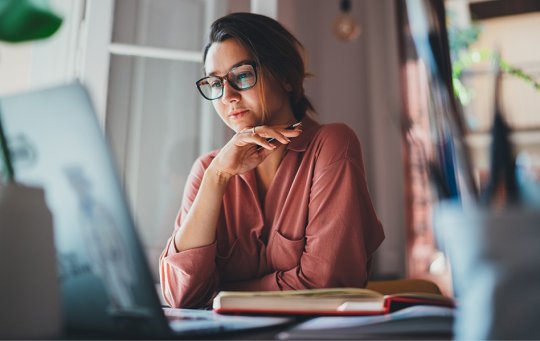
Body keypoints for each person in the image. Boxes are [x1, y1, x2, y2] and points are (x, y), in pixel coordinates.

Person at [159, 12, 385, 309]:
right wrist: (217, 178)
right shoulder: (208, 170)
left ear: (286, 78)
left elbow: (326, 285)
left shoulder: (330, 146)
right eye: (215, 83)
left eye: (241, 75)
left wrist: (218, 294)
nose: (227, 95)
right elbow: (179, 295)